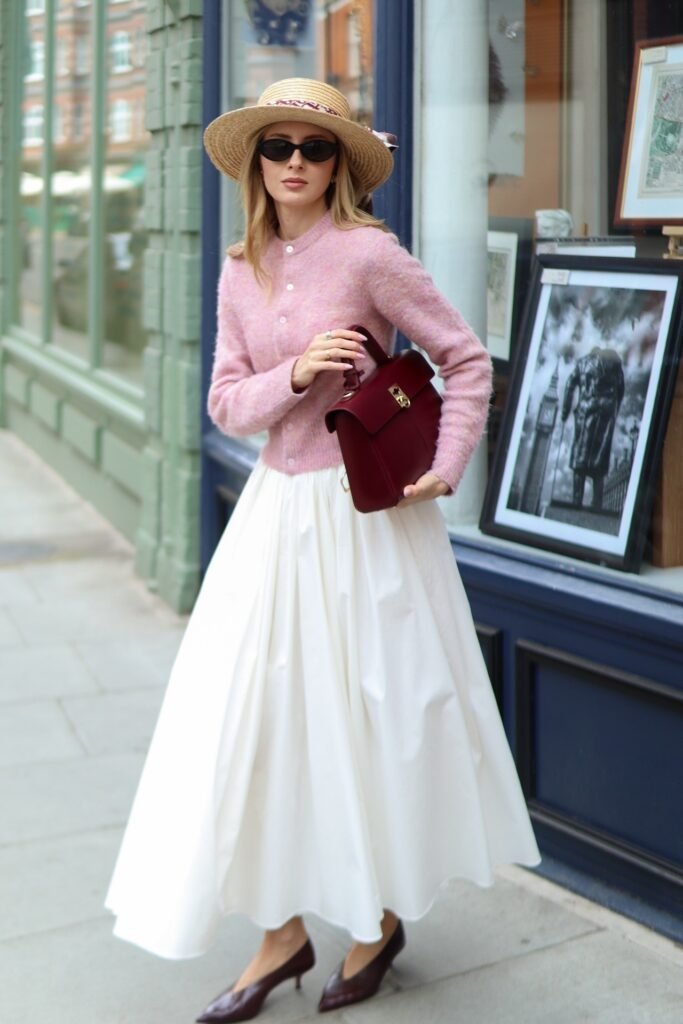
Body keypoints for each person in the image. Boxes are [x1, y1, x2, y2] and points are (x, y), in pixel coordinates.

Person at [106, 78, 540, 1022]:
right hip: (273, 520)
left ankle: (375, 920)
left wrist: (447, 464)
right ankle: (281, 934)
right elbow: (226, 402)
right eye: (279, 146)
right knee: (256, 727)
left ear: (340, 162)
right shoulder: (240, 266)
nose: (295, 161)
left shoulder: (369, 255)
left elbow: (464, 359)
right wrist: (293, 375)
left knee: (365, 724)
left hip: (365, 523)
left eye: (315, 146)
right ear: (256, 163)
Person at [561, 345, 625, 509]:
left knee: (579, 460)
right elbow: (621, 390)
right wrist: (614, 412)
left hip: (585, 411)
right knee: (600, 461)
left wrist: (565, 411)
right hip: (606, 414)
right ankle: (597, 505)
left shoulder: (582, 363)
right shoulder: (614, 363)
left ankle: (576, 502)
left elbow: (569, 385)